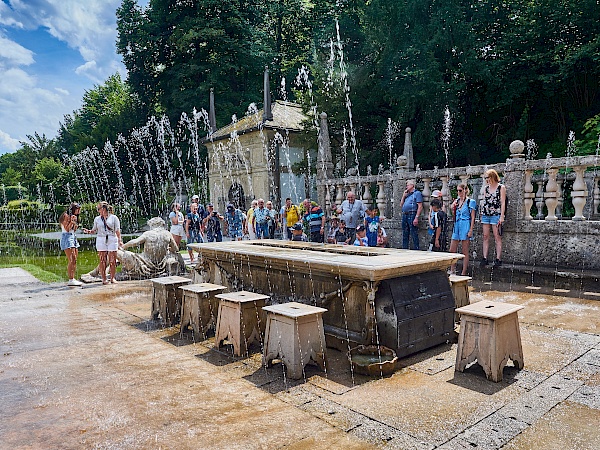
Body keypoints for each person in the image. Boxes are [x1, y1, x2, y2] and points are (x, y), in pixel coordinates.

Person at [83, 201, 122, 285]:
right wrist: (89, 231)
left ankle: (112, 278)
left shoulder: (114, 218)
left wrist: (120, 240)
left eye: (98, 209)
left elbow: (117, 230)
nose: (98, 211)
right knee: (102, 260)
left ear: (103, 209)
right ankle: (104, 279)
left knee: (112, 260)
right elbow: (94, 230)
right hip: (101, 239)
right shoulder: (97, 219)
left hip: (112, 238)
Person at [480, 169, 506, 268]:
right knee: (485, 236)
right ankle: (485, 258)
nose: (486, 180)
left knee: (497, 236)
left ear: (492, 177)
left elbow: (503, 202)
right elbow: (484, 201)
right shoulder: (486, 188)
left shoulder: (501, 187)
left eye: (487, 177)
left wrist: (502, 216)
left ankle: (498, 259)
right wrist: (482, 213)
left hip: (496, 214)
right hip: (486, 213)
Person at [59, 202, 83, 287]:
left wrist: (75, 223)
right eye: (78, 209)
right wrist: (72, 221)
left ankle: (72, 279)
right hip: (67, 237)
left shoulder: (74, 216)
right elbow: (67, 229)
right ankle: (71, 279)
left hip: (73, 237)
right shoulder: (66, 215)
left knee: (75, 259)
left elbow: (74, 230)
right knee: (72, 259)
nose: (79, 211)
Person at [399, 179, 423, 250]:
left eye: (408, 185)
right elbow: (401, 205)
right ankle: (405, 248)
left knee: (413, 233)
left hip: (412, 214)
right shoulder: (407, 194)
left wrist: (416, 217)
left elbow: (420, 206)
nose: (406, 186)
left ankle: (416, 249)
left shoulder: (417, 193)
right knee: (405, 233)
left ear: (412, 185)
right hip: (405, 214)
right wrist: (403, 196)